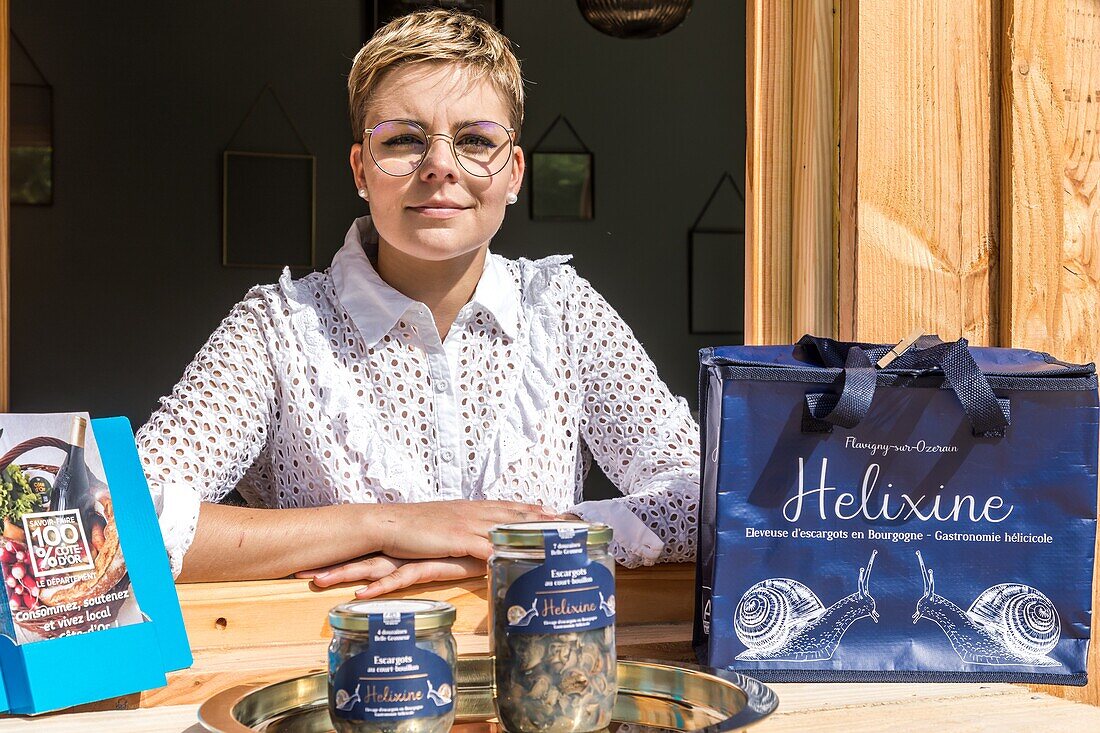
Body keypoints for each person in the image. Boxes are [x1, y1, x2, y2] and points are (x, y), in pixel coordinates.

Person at [137, 9, 699, 600]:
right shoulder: (275, 331)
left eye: (476, 140)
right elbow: (118, 521)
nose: (440, 166)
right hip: (342, 682)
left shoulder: (564, 312)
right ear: (360, 168)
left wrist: (506, 548)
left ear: (514, 173)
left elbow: (698, 497)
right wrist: (389, 526)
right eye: (404, 139)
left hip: (547, 682)